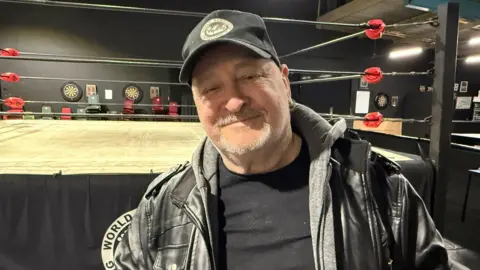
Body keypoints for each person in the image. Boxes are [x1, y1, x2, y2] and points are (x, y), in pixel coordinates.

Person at [114, 9, 456, 270]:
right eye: (211, 88)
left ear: (284, 81)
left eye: (249, 76)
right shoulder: (164, 208)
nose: (233, 101)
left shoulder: (376, 187)